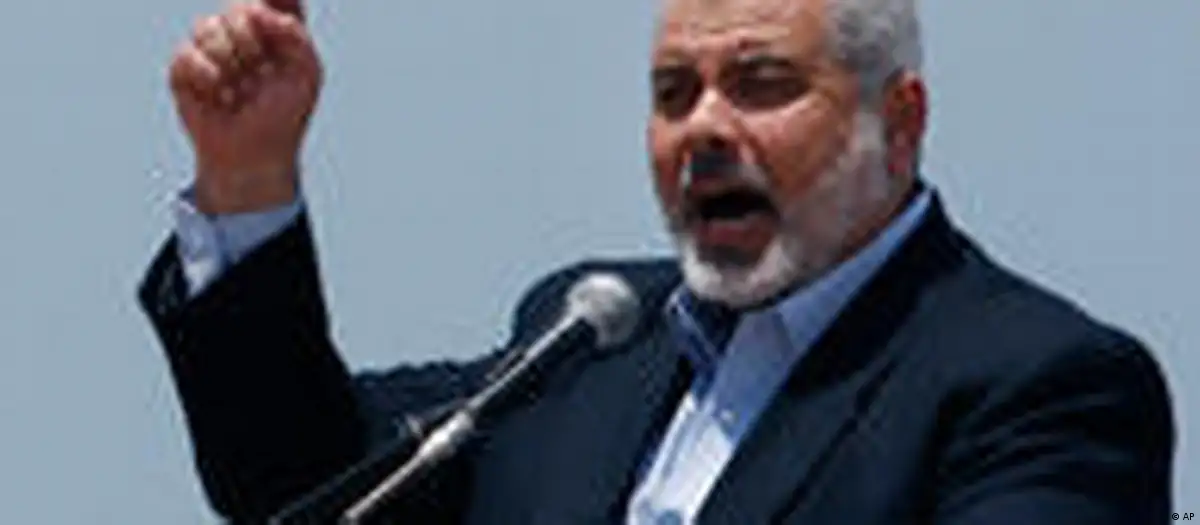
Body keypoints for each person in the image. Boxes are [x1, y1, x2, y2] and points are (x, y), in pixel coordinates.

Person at [138, 0, 1175, 523]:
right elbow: (299, 478)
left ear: (896, 123)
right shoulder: (589, 332)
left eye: (761, 84)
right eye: (674, 94)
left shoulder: (1040, 385)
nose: (703, 128)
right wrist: (248, 177)